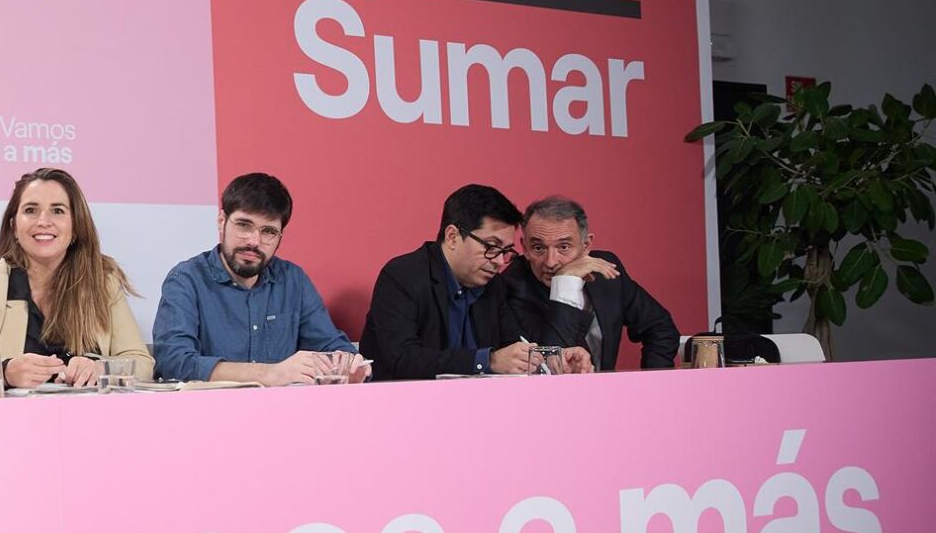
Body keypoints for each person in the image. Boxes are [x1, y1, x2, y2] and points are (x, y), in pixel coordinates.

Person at [0, 168, 154, 397]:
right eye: (31, 210)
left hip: (90, 417)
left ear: (76, 227)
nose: (43, 221)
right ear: (14, 226)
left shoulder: (103, 282)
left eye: (57, 210)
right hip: (9, 419)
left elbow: (142, 364)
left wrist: (101, 369)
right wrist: (3, 372)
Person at [153, 173, 365, 385]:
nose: (254, 241)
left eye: (268, 231)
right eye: (244, 225)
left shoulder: (293, 280)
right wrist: (269, 374)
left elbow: (330, 345)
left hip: (285, 406)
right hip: (212, 405)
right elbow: (173, 363)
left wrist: (348, 364)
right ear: (221, 222)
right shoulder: (186, 279)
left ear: (280, 237)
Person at [360, 184, 589, 380]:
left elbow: (514, 346)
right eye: (491, 247)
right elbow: (402, 358)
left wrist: (551, 360)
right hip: (403, 405)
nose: (500, 261)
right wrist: (487, 361)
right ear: (452, 237)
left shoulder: (493, 286)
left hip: (477, 406)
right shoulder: (403, 276)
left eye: (506, 251)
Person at [501, 195, 679, 371]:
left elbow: (661, 328)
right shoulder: (510, 288)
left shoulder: (605, 270)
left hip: (606, 388)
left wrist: (653, 380)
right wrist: (565, 283)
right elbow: (551, 367)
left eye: (564, 247)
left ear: (586, 245)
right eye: (538, 248)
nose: (550, 262)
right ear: (525, 248)